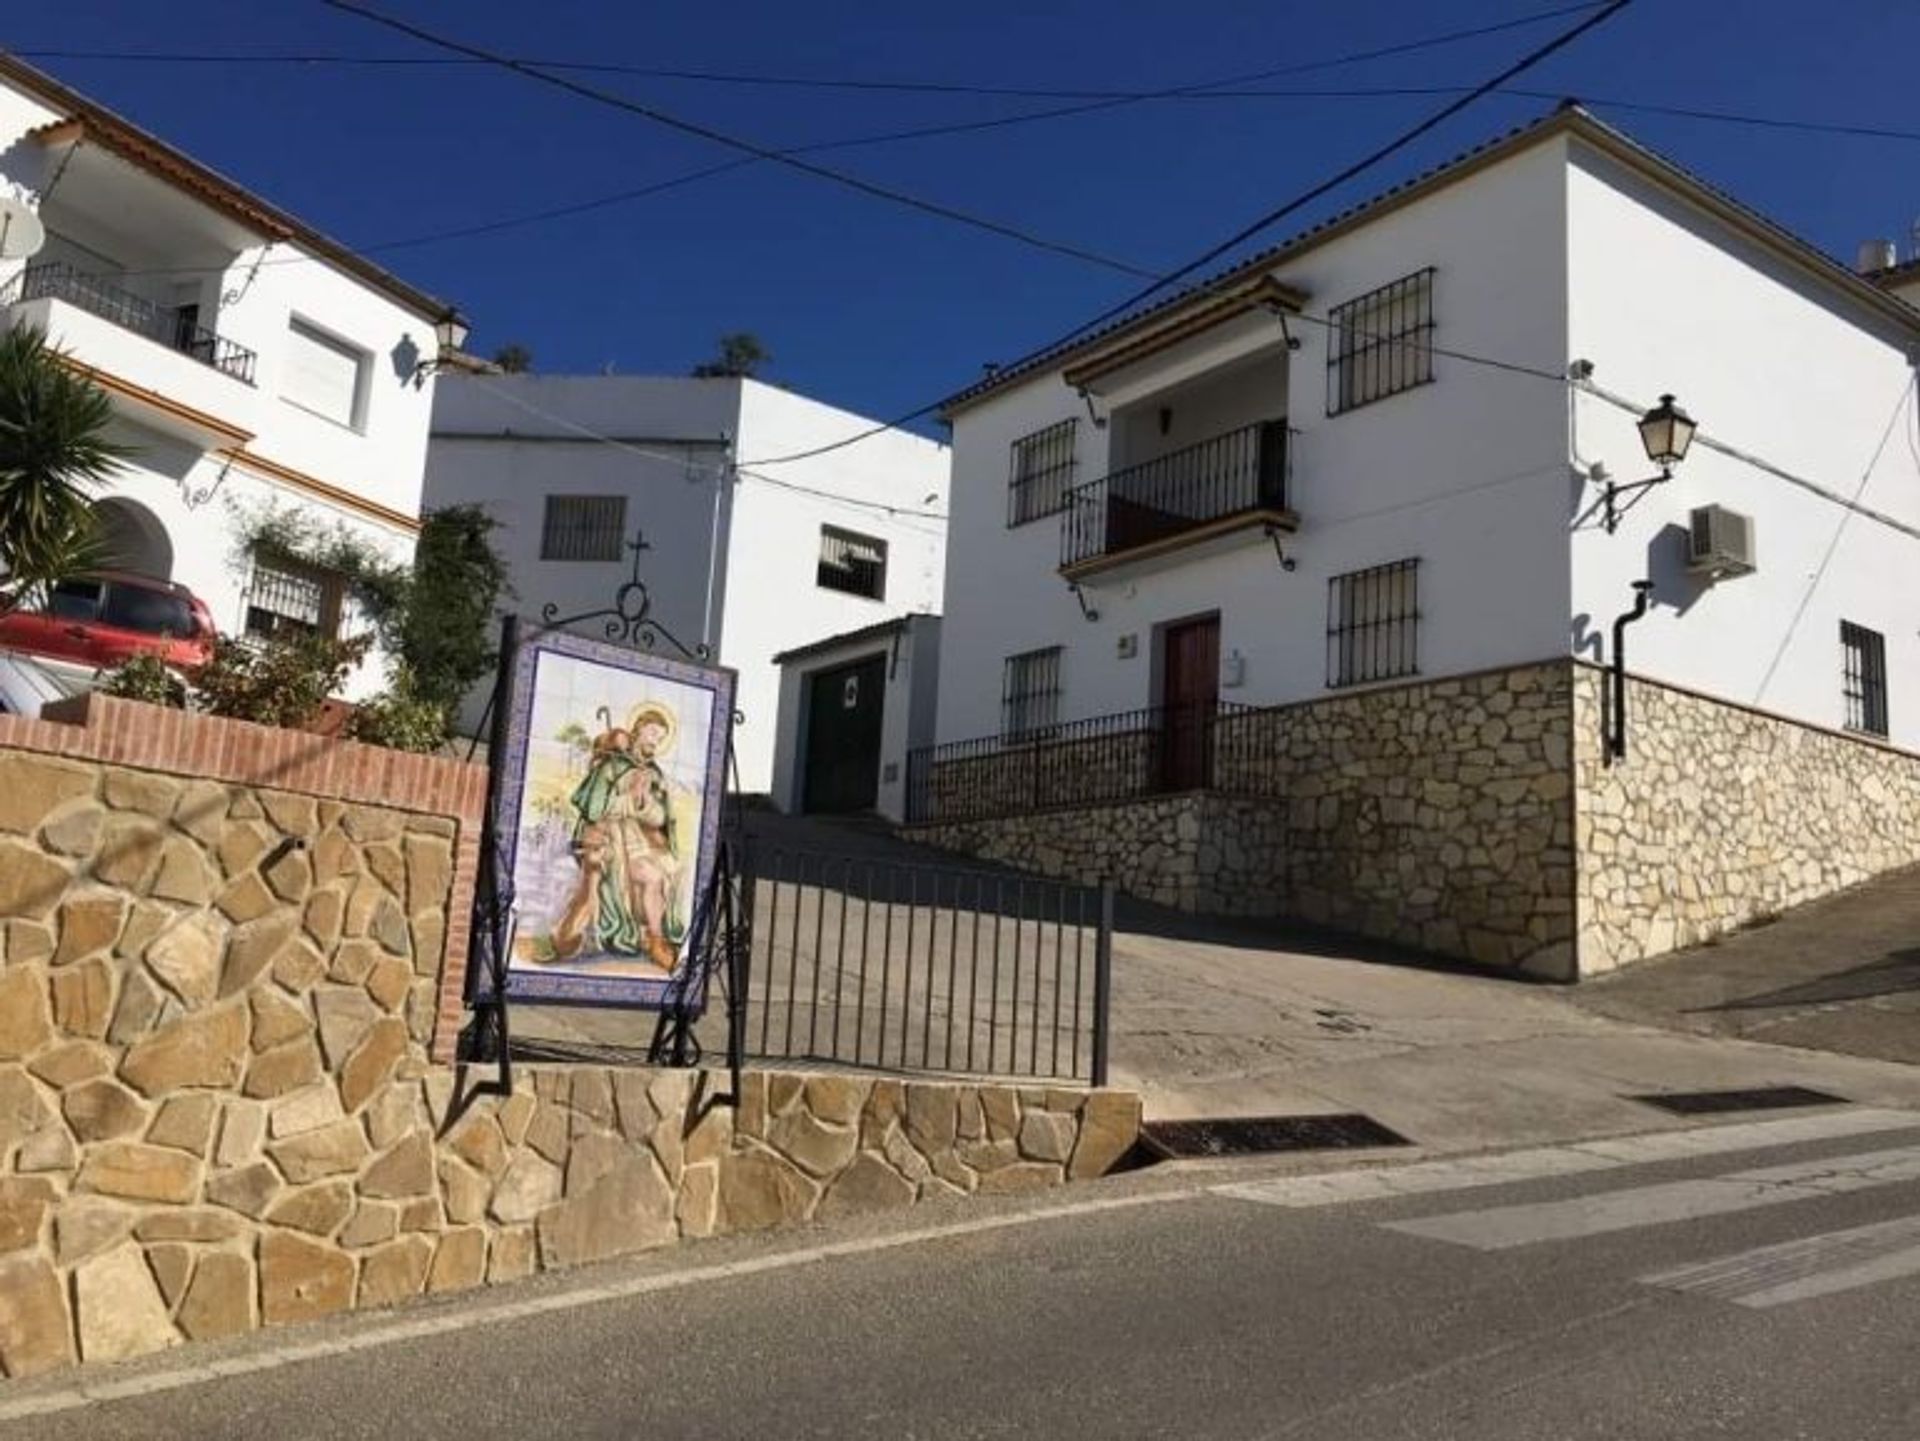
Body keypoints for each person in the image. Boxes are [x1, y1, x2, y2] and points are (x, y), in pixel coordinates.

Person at [548, 701, 691, 971]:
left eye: (660, 738)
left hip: (637, 840)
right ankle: (654, 940)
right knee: (652, 876)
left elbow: (661, 818)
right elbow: (593, 807)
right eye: (652, 733)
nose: (655, 741)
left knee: (672, 870)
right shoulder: (610, 766)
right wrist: (628, 798)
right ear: (637, 730)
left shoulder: (653, 772)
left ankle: (655, 939)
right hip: (607, 838)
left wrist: (644, 803)